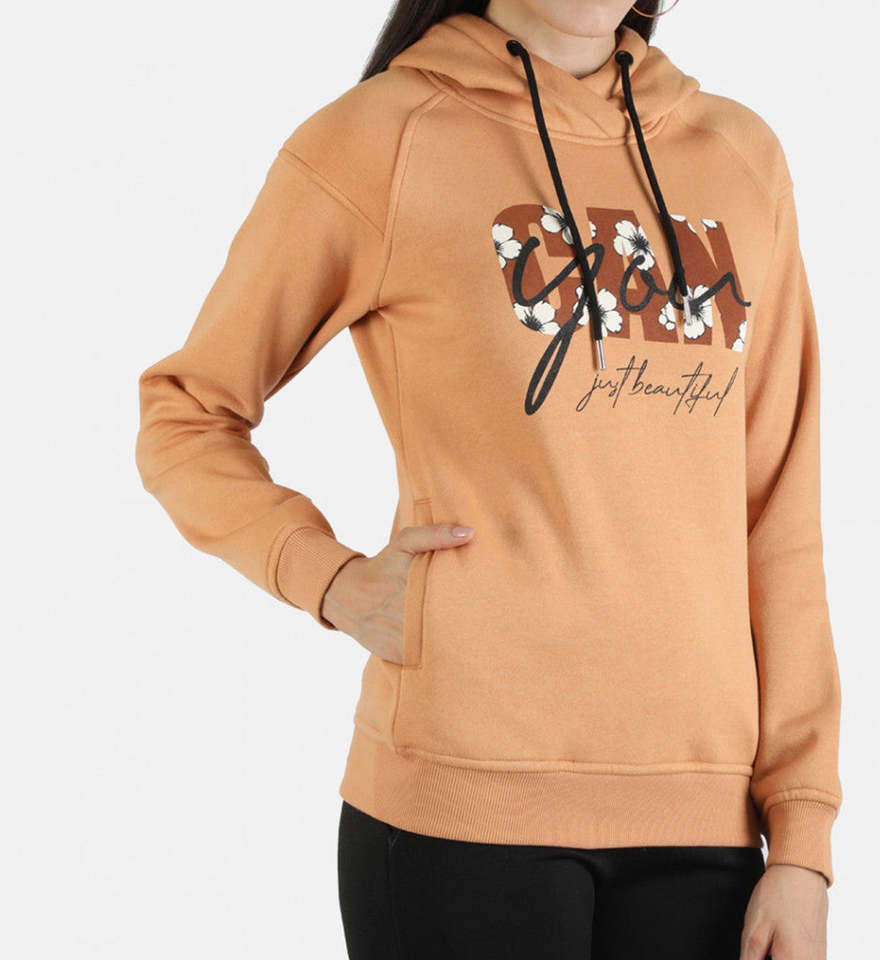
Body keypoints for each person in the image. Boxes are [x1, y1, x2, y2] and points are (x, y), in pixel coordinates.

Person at [135, 1, 843, 957]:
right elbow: (185, 413)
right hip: (460, 812)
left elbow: (779, 514)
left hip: (705, 823)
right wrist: (327, 579)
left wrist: (802, 834)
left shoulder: (740, 159)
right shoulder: (384, 139)